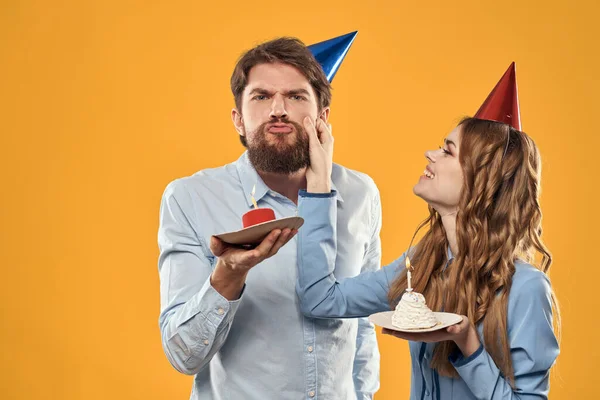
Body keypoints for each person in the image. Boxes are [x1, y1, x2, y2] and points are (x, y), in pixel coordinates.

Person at [214, 63, 561, 399]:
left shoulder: (526, 289)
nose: (431, 154)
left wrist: (469, 346)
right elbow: (321, 300)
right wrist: (318, 185)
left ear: (482, 179)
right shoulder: (422, 265)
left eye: (448, 151)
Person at [157, 34, 383, 400]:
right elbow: (183, 355)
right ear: (238, 120)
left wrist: (365, 395)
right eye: (261, 97)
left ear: (323, 117)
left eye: (295, 96)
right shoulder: (190, 198)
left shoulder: (360, 194)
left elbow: (362, 324)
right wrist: (228, 275)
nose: (278, 109)